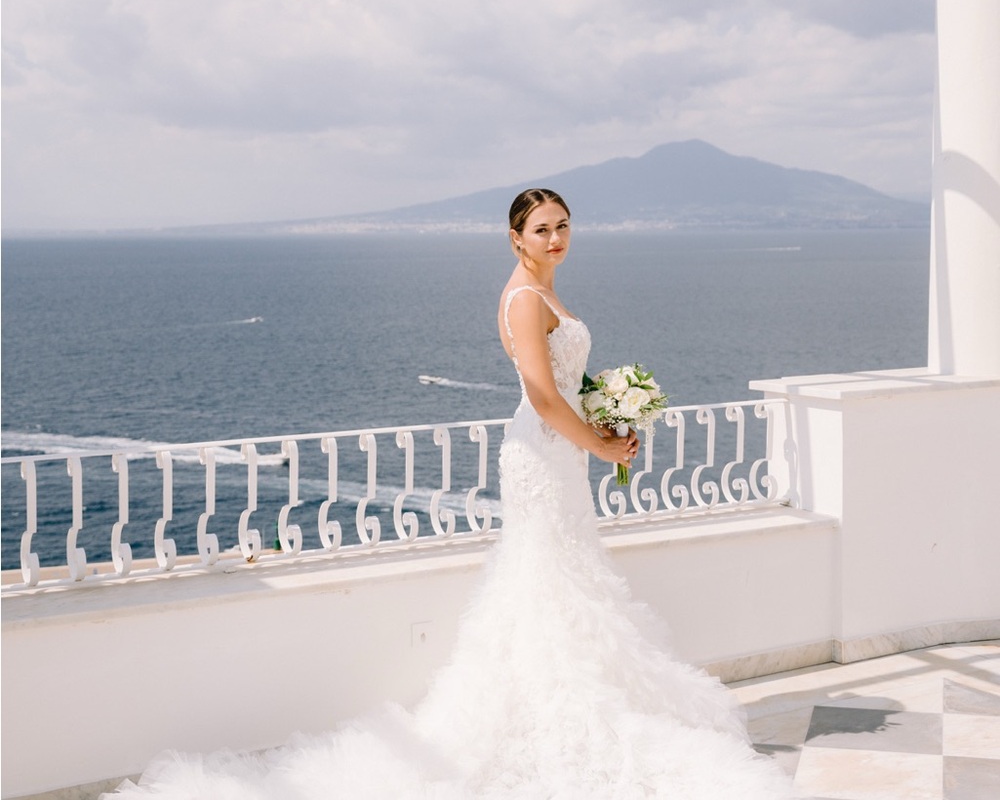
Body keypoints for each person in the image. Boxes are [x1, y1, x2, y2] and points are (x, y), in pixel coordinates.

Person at [107, 189, 792, 799]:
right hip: (542, 455)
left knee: (565, 578)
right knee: (546, 580)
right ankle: (543, 724)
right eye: (542, 229)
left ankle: (569, 702)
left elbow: (569, 387)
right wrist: (602, 444)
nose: (556, 238)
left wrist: (611, 417)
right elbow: (542, 396)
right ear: (516, 239)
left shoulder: (548, 292)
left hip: (563, 457)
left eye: (563, 225)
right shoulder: (524, 299)